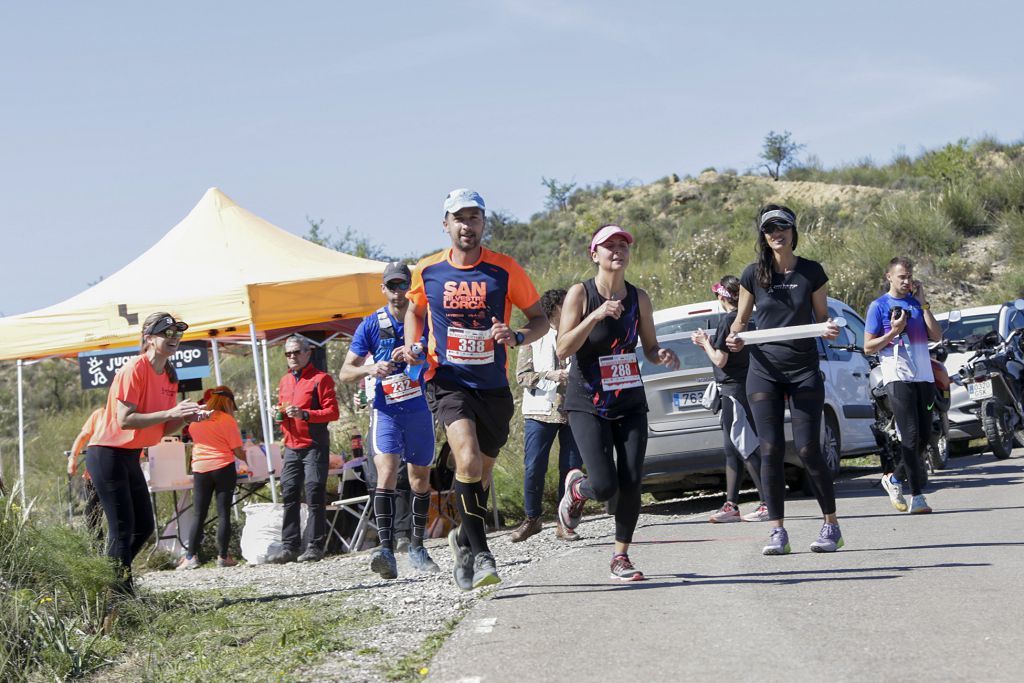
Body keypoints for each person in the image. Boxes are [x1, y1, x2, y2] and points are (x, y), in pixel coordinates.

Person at [402, 188, 547, 590]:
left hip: (492, 384)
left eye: (475, 218)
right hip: (447, 380)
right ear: (446, 224)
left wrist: (516, 336)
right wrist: (415, 346)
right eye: (460, 218)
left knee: (481, 473)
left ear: (484, 223)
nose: (468, 226)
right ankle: (482, 554)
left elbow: (539, 319)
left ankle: (463, 537)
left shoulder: (504, 270)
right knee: (464, 461)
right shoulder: (428, 271)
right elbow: (414, 311)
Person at [556, 225, 680, 581]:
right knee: (605, 484)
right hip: (587, 400)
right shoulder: (581, 294)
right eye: (609, 246)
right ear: (594, 254)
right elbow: (563, 348)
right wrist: (594, 316)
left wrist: (661, 354)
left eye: (623, 245)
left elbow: (650, 347)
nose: (617, 251)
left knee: (631, 479)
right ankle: (578, 489)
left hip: (628, 397)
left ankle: (620, 556)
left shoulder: (638, 298)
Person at [726, 205, 843, 555]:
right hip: (763, 371)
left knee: (808, 448)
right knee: (771, 449)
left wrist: (831, 329)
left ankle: (831, 526)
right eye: (769, 229)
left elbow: (823, 319)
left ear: (794, 231)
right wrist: (734, 337)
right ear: (763, 236)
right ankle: (777, 531)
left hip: (803, 368)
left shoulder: (811, 271)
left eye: (783, 227)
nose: (776, 233)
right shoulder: (752, 274)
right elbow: (741, 322)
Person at [86, 312, 206, 592]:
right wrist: (171, 411)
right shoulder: (134, 369)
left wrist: (188, 417)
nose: (174, 338)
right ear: (149, 339)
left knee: (144, 526)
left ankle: (111, 578)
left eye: (178, 334)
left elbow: (161, 429)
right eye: (167, 333)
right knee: (123, 528)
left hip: (130, 454)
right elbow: (125, 419)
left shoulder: (170, 375)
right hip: (107, 453)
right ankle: (118, 595)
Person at [340, 261, 441, 578]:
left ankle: (417, 546)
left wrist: (417, 355)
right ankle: (385, 551)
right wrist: (371, 368)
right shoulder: (370, 325)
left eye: (403, 286)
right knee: (386, 473)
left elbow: (440, 355)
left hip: (417, 409)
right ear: (382, 289)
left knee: (419, 479)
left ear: (410, 289)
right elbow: (345, 372)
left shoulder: (425, 320)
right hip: (386, 411)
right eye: (392, 286)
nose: (398, 292)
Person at [864, 256, 942, 514]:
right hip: (898, 377)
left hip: (924, 376)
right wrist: (894, 332)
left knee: (924, 437)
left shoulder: (917, 303)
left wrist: (924, 303)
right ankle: (917, 495)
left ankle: (894, 478)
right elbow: (868, 347)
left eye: (910, 276)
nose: (907, 281)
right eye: (902, 277)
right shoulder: (879, 306)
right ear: (889, 277)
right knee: (908, 436)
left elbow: (937, 335)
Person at [691, 276, 768, 523]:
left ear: (722, 297)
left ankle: (767, 503)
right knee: (732, 449)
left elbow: (720, 360)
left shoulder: (728, 321)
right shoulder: (752, 320)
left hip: (733, 390)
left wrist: (704, 343)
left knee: (745, 446)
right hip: (743, 387)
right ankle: (731, 504)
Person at [512, 288, 583, 542]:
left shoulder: (579, 331)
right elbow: (522, 376)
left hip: (574, 409)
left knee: (572, 469)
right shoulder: (533, 336)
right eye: (566, 305)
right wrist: (549, 376)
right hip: (540, 411)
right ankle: (532, 519)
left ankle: (565, 523)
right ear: (554, 308)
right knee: (534, 467)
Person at [266, 335, 340, 564]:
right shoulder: (285, 381)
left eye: (296, 352)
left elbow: (333, 413)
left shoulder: (321, 379)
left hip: (314, 446)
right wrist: (277, 414)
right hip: (290, 446)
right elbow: (284, 411)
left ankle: (315, 546)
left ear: (308, 353)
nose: (292, 357)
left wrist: (305, 414)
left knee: (314, 493)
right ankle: (289, 546)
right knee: (289, 494)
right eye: (288, 353)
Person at [176, 386, 246, 570]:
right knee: (223, 512)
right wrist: (247, 458)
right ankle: (223, 556)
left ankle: (190, 557)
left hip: (200, 469)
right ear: (228, 402)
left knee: (199, 514)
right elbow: (237, 450)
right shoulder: (227, 420)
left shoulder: (196, 420)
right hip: (223, 467)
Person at [68, 408, 105, 536]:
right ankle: (98, 552)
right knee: (92, 519)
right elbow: (82, 437)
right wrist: (72, 459)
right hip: (93, 475)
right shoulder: (99, 414)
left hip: (117, 475)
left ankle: (115, 553)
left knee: (117, 519)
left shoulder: (127, 416)